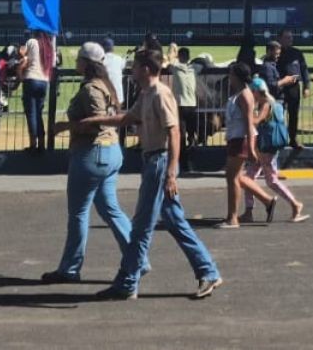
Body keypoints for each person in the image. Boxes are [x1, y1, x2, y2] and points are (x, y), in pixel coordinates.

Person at [87, 49, 223, 301]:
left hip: (159, 163)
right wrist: (96, 120)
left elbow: (174, 133)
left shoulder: (161, 94)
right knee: (174, 221)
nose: (132, 70)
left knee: (141, 227)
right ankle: (208, 271)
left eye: (136, 66)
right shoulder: (146, 93)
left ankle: (128, 281)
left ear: (146, 69)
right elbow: (129, 117)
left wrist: (171, 173)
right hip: (152, 161)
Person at [42, 42, 135, 284]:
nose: (75, 63)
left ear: (86, 63)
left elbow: (97, 122)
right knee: (110, 209)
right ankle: (137, 258)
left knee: (79, 213)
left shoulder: (91, 89)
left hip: (93, 153)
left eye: (79, 59)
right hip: (111, 152)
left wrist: (65, 126)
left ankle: (70, 268)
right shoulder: (107, 85)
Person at [240, 77, 307, 224]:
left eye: (252, 92)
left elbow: (257, 121)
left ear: (257, 92)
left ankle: (295, 204)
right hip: (268, 146)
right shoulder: (276, 104)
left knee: (271, 180)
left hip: (266, 148)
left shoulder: (266, 105)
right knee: (248, 178)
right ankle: (248, 211)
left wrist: (244, 114)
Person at [221, 61, 277, 228]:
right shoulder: (238, 95)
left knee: (232, 178)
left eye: (231, 74)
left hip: (242, 140)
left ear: (237, 76)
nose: (229, 77)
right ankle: (267, 201)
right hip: (235, 138)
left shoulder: (245, 95)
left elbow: (248, 123)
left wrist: (252, 148)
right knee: (237, 177)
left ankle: (232, 218)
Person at [18, 31, 51, 153]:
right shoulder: (48, 46)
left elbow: (23, 55)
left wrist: (20, 53)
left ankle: (33, 144)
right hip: (44, 81)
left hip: (31, 79)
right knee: (38, 114)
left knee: (31, 114)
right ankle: (41, 145)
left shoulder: (32, 42)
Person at [167, 45, 200, 150]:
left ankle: (182, 155)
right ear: (188, 57)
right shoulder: (194, 68)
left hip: (180, 105)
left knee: (181, 131)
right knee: (191, 131)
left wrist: (173, 52)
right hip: (192, 104)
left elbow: (168, 66)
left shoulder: (175, 69)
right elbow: (203, 66)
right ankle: (192, 149)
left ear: (179, 57)